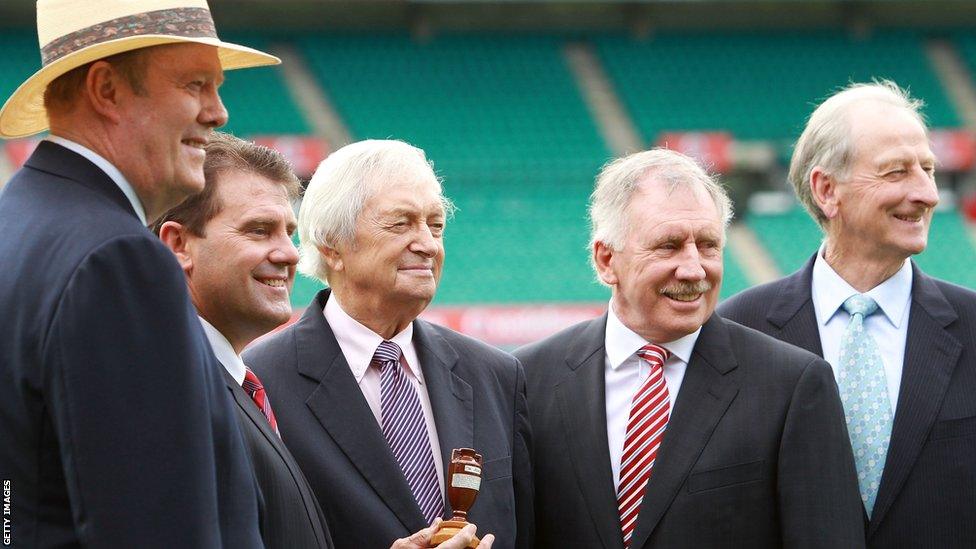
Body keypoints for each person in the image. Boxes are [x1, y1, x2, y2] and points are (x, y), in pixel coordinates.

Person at [0, 1, 279, 546]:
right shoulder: (117, 258)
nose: (218, 112)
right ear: (106, 90)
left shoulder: (21, 223)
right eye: (196, 84)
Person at [154, 132, 495, 549]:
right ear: (178, 245)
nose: (291, 253)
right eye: (259, 230)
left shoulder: (235, 384)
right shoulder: (165, 391)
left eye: (436, 225)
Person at [514, 149, 865, 548]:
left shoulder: (791, 385)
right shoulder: (526, 381)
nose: (694, 269)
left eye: (709, 245)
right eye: (668, 246)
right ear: (606, 260)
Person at [719, 81, 976, 547]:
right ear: (826, 190)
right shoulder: (737, 331)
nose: (927, 194)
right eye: (896, 172)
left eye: (928, 169)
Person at [243, 139, 532, 549]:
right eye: (401, 224)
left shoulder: (495, 374)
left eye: (436, 225)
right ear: (332, 246)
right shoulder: (259, 381)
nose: (428, 244)